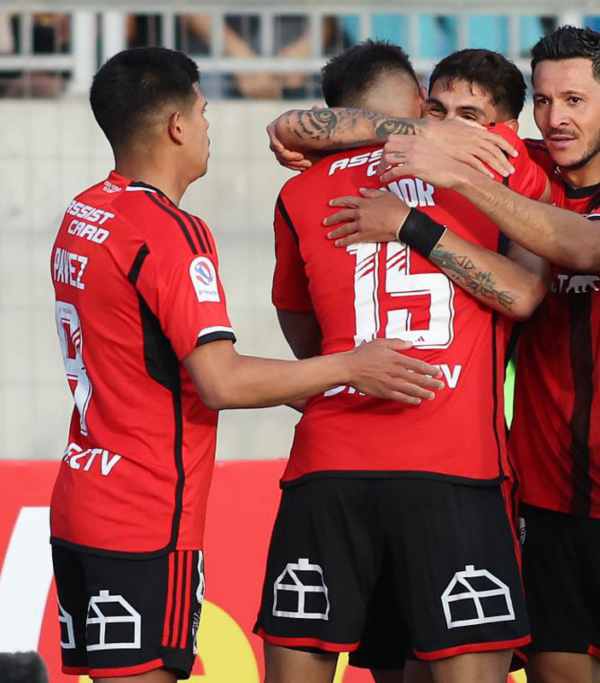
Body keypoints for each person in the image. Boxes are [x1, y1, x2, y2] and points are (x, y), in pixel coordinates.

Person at [49, 46, 442, 682]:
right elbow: (220, 379)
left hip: (82, 494)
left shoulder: (86, 212)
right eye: (204, 113)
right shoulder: (170, 232)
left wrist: (299, 389)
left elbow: (150, 357)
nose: (208, 129)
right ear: (176, 126)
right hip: (147, 514)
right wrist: (348, 367)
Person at [252, 41, 548, 683]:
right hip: (452, 468)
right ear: (417, 102)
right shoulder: (499, 161)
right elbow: (525, 295)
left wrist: (343, 368)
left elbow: (302, 327)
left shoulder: (299, 192)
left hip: (327, 469)